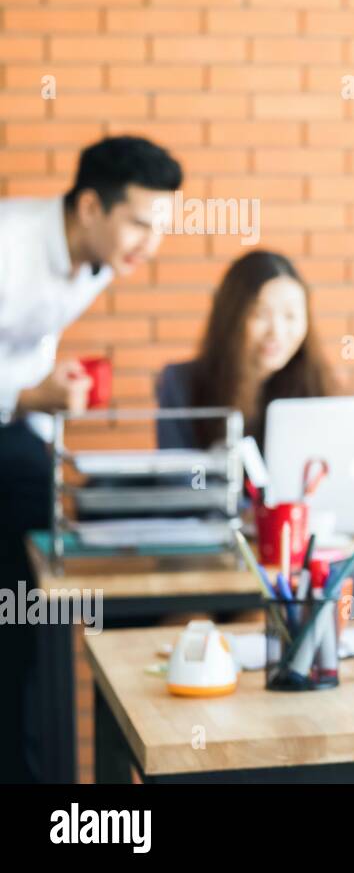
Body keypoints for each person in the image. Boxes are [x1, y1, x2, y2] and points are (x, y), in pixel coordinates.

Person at [0, 135, 182, 782]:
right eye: (138, 222)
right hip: (10, 433)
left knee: (35, 613)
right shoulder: (9, 247)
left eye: (158, 225)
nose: (149, 243)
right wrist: (27, 394)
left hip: (18, 436)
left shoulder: (97, 262)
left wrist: (46, 394)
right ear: (88, 208)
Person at [155, 250, 334, 451]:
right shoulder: (181, 384)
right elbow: (177, 475)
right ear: (232, 317)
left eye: (290, 316)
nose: (277, 332)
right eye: (260, 314)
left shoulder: (319, 389)